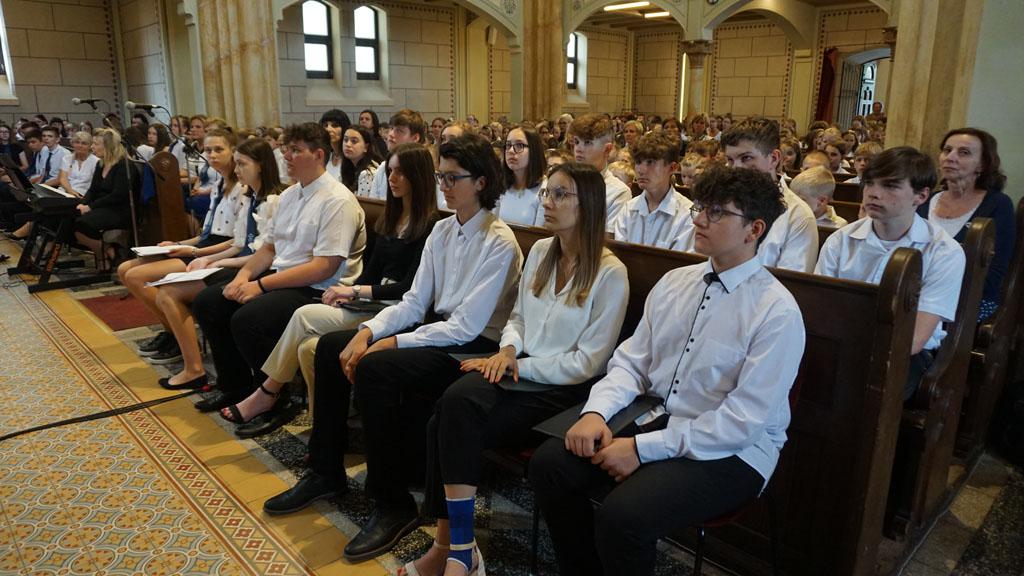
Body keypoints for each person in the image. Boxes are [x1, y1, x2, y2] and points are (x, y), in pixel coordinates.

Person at [529, 165, 804, 576]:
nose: (699, 219)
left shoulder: (776, 312)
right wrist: (595, 412)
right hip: (660, 415)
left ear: (754, 229)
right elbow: (632, 363)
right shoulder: (676, 281)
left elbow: (741, 422)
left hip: (734, 451)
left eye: (716, 212)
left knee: (624, 516)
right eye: (700, 207)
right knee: (550, 465)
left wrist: (641, 449)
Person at [261, 134, 523, 564]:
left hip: (473, 348)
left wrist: (391, 342)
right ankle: (326, 470)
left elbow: (466, 326)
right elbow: (415, 302)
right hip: (439, 332)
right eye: (441, 176)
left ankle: (393, 501)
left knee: (375, 368)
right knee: (330, 347)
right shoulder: (442, 229)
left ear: (480, 182)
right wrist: (368, 332)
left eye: (453, 178)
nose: (444, 185)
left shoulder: (499, 241)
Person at [401, 162, 630, 576]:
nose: (548, 202)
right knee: (447, 414)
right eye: (546, 193)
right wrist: (507, 350)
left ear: (589, 204)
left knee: (455, 408)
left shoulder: (610, 273)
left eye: (560, 194)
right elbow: (519, 318)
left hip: (563, 390)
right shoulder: (541, 252)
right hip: (521, 372)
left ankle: (456, 550)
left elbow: (588, 362)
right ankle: (452, 547)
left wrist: (519, 367)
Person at [219, 143, 438, 438]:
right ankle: (323, 423)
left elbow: (409, 287)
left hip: (398, 310)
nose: (392, 178)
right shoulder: (390, 218)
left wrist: (356, 292)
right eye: (390, 171)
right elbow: (372, 272)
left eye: (401, 172)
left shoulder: (431, 225)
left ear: (419, 176)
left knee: (303, 316)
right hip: (370, 303)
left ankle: (268, 391)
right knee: (308, 347)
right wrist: (351, 294)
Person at [189, 122, 366, 414]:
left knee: (249, 319)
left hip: (320, 289)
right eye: (286, 149)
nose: (286, 156)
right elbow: (269, 248)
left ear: (318, 155)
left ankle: (275, 399)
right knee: (209, 302)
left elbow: (324, 266)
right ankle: (236, 386)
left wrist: (259, 286)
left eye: (296, 150)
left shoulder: (337, 199)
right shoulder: (289, 195)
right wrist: (243, 276)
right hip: (284, 277)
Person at [816, 147, 965, 400]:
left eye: (890, 186)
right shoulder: (841, 240)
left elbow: (915, 339)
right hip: (843, 344)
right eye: (869, 183)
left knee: (857, 388)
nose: (874, 193)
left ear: (921, 195)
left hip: (907, 355)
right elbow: (822, 308)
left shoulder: (943, 251)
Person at [152, 138, 285, 389]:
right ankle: (206, 371)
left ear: (261, 165)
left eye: (242, 164)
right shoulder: (249, 196)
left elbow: (266, 253)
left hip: (259, 268)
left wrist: (221, 263)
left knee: (182, 296)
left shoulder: (275, 200)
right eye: (236, 164)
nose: (237, 170)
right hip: (242, 262)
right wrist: (206, 258)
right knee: (167, 291)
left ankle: (203, 372)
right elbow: (238, 243)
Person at [118, 129, 246, 364]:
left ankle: (180, 337)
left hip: (218, 251)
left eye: (219, 149)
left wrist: (193, 251)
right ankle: (172, 331)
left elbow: (236, 240)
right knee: (125, 269)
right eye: (208, 150)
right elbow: (205, 234)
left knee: (137, 276)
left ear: (233, 152)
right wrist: (178, 244)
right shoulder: (220, 182)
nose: (212, 155)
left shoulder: (241, 187)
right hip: (206, 245)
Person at [917, 128, 1015, 321]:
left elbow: (995, 271)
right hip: (916, 293)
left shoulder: (998, 204)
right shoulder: (924, 200)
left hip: (971, 299)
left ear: (982, 164)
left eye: (964, 152)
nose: (950, 157)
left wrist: (936, 291)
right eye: (947, 150)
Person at [722, 118, 818, 272]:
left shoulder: (798, 216)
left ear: (774, 158)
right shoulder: (722, 203)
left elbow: (790, 282)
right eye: (730, 160)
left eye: (746, 158)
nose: (736, 168)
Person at [612, 131, 695, 252]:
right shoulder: (628, 210)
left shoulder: (687, 215)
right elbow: (620, 256)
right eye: (638, 162)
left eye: (650, 162)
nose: (641, 170)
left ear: (672, 168)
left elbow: (679, 263)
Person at [73, 128, 139, 269]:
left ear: (108, 146)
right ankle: (108, 250)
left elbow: (118, 195)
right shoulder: (101, 163)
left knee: (81, 223)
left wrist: (90, 207)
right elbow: (93, 190)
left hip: (120, 210)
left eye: (96, 144)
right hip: (103, 207)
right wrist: (82, 204)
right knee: (70, 218)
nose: (92, 147)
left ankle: (105, 255)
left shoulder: (124, 165)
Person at [568, 114, 632, 229]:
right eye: (576, 142)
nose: (578, 149)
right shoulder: (565, 183)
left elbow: (608, 237)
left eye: (587, 142)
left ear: (607, 149)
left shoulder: (618, 192)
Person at [367, 109, 426, 200]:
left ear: (415, 138)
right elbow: (374, 203)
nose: (391, 134)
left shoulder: (423, 168)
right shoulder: (383, 167)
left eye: (399, 131)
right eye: (391, 128)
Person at [496, 126, 546, 226]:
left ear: (534, 150)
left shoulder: (545, 189)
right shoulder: (501, 185)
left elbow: (539, 233)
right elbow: (492, 225)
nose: (511, 150)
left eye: (519, 145)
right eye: (508, 145)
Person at [340, 125, 380, 197]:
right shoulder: (349, 167)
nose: (348, 144)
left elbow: (362, 202)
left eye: (354, 141)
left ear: (366, 147)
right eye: (345, 140)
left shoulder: (367, 173)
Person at [321, 109, 350, 182]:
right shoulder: (325, 156)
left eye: (335, 125)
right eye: (325, 125)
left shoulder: (350, 157)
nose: (328, 129)